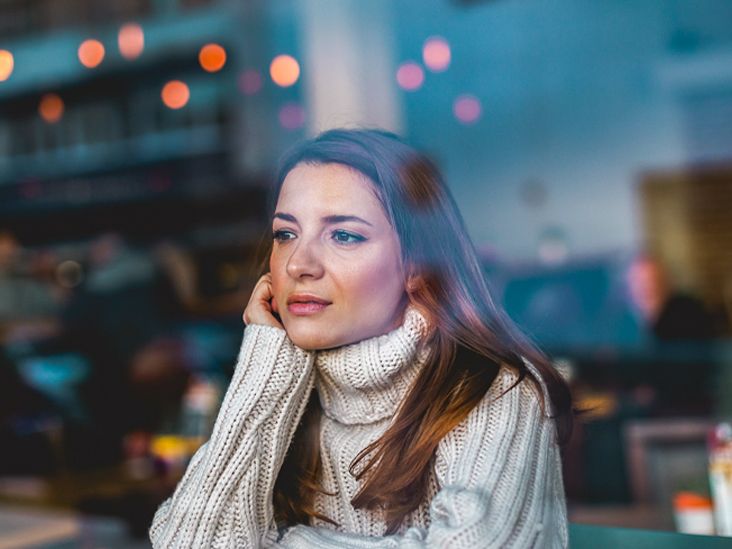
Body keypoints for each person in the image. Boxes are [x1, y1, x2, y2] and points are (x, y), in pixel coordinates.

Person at [149, 128, 574, 547]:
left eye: (344, 235)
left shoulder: (496, 389)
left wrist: (288, 542)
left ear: (417, 264)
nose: (299, 264)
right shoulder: (281, 391)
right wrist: (264, 371)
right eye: (286, 234)